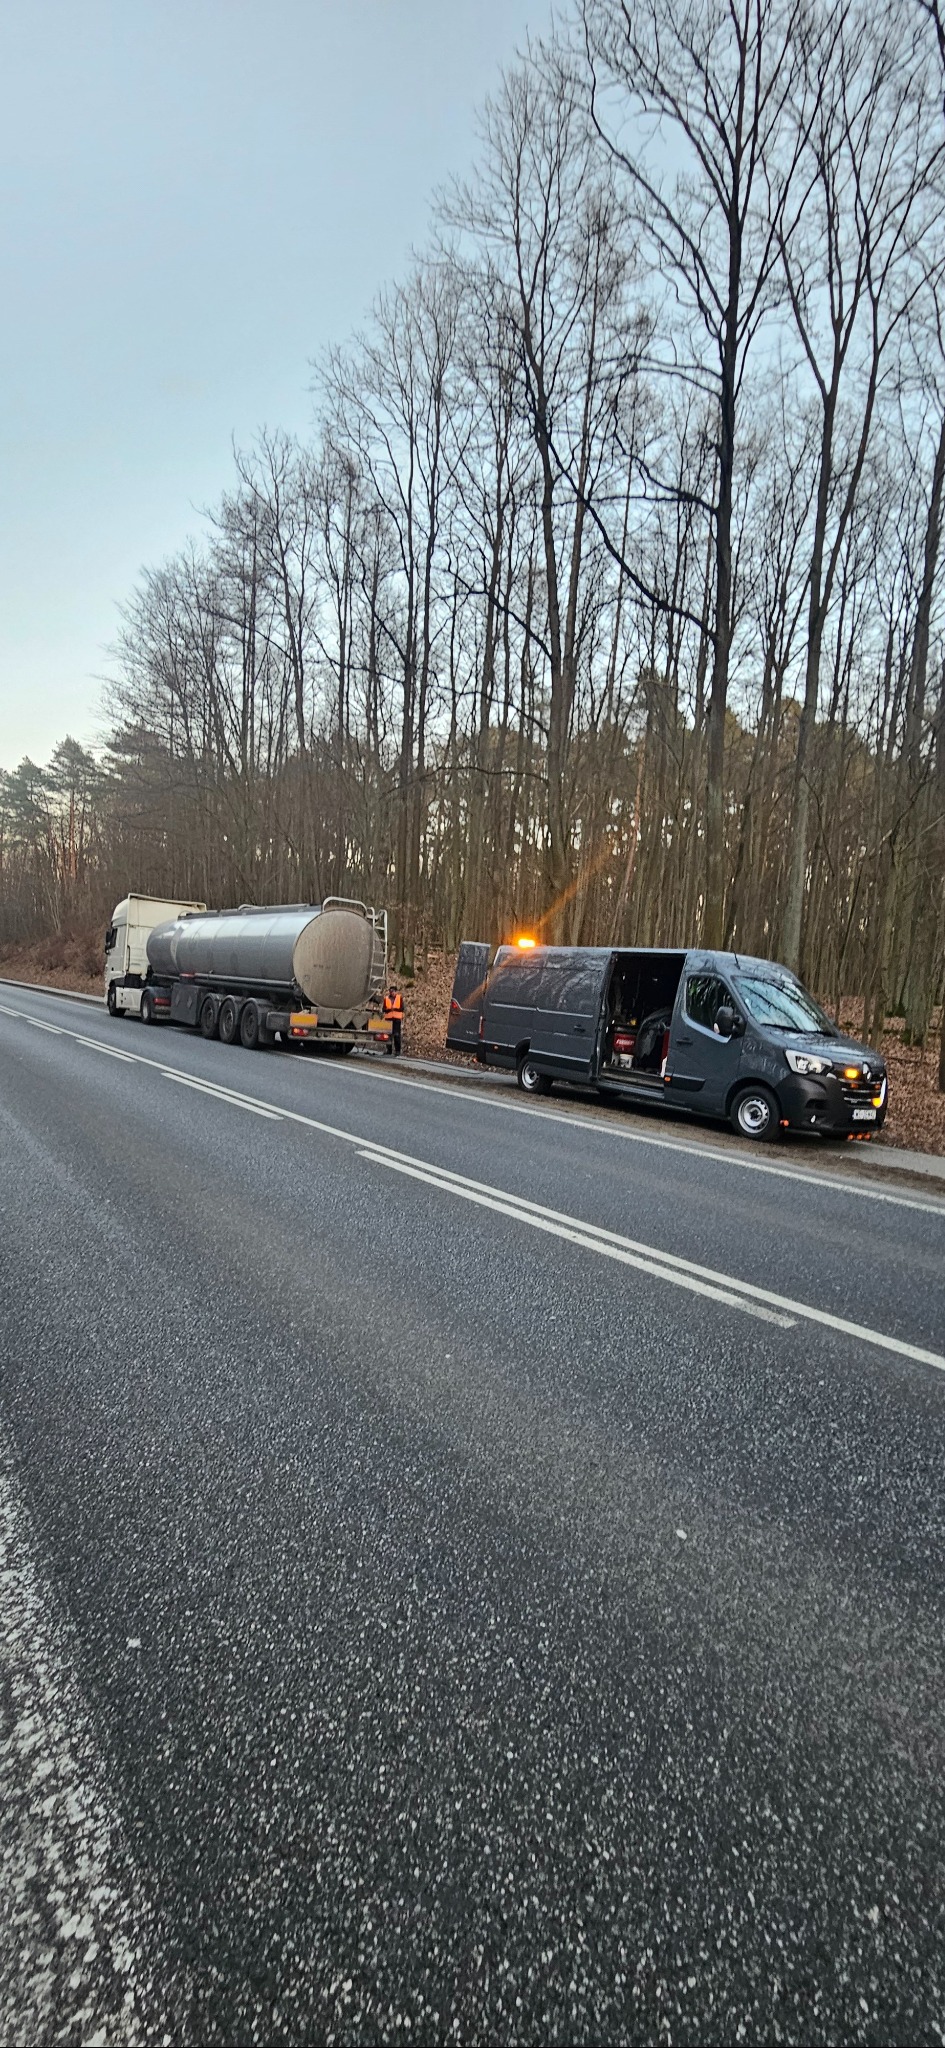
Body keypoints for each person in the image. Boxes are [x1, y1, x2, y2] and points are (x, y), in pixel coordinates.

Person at [383, 984, 404, 1056]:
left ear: (396, 992)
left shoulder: (399, 998)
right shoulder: (386, 998)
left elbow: (402, 1008)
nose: (391, 993)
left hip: (397, 1019)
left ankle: (397, 1051)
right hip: (388, 1019)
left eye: (393, 991)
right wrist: (388, 1010)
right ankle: (389, 1050)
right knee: (388, 1035)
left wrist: (394, 1009)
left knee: (396, 1035)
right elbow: (384, 1009)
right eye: (390, 991)